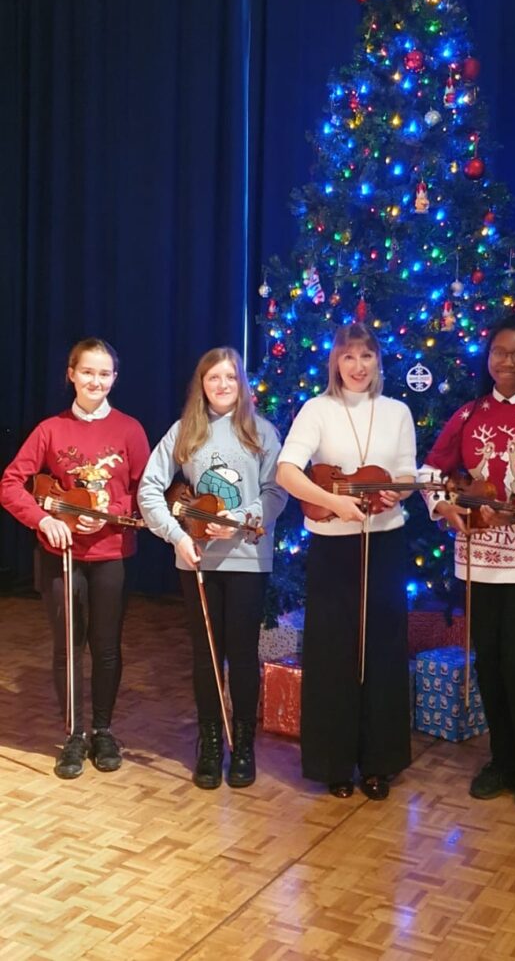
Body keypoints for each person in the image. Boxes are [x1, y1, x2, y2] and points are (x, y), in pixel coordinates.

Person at [421, 314, 515, 813]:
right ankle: (501, 761)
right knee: (488, 662)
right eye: (499, 352)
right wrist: (443, 508)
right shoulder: (469, 414)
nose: (507, 362)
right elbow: (429, 472)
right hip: (478, 560)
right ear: (487, 357)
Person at [276, 322, 417, 801]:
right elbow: (288, 472)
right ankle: (333, 763)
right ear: (335, 362)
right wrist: (335, 504)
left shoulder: (398, 412)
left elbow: (406, 475)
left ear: (379, 362)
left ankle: (380, 761)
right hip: (333, 547)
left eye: (367, 357)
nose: (358, 366)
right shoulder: (317, 409)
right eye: (349, 357)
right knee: (333, 652)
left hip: (383, 546)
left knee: (382, 649)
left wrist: (392, 499)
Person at [0, 337, 150, 780]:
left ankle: (103, 730)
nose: (95, 381)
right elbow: (10, 484)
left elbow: (146, 493)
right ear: (71, 374)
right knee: (69, 646)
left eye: (104, 374)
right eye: (87, 372)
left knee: (106, 645)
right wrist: (42, 520)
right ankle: (73, 734)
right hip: (60, 555)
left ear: (114, 379)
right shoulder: (50, 430)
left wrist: (111, 515)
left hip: (110, 554)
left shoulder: (130, 430)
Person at [137, 347, 286, 790]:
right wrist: (178, 537)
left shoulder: (262, 432)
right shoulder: (185, 432)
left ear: (242, 384)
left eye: (230, 377)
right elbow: (149, 490)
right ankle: (210, 742)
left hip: (248, 560)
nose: (222, 385)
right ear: (201, 385)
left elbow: (276, 492)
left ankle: (242, 744)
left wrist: (240, 521)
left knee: (241, 656)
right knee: (206, 658)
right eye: (213, 378)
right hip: (197, 561)